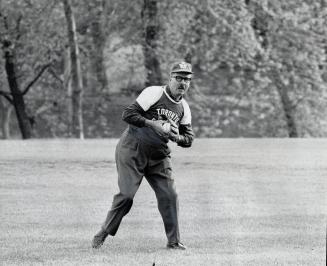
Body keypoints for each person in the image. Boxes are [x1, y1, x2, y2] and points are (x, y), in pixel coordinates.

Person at [92, 61, 194, 250]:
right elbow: (128, 114)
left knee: (170, 195)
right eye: (178, 78)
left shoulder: (184, 108)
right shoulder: (154, 93)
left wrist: (175, 136)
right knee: (127, 195)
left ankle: (173, 242)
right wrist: (152, 124)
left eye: (186, 79)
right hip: (133, 148)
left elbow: (188, 139)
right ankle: (103, 232)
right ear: (170, 78)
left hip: (159, 156)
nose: (182, 83)